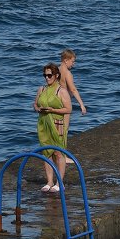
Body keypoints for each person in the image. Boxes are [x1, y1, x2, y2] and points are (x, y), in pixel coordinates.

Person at [33, 64, 71, 192]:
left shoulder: (61, 91)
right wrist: (38, 109)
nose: (47, 78)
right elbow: (35, 104)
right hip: (43, 124)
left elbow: (68, 109)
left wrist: (52, 110)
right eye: (45, 75)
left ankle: (59, 182)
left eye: (49, 75)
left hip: (56, 123)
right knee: (46, 152)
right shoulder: (41, 89)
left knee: (58, 152)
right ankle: (49, 181)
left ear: (56, 76)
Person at [59, 49, 87, 117]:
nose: (73, 64)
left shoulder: (57, 70)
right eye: (72, 61)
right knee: (64, 125)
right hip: (65, 102)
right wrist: (82, 105)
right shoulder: (67, 73)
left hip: (56, 100)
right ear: (66, 60)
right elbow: (73, 90)